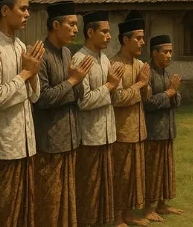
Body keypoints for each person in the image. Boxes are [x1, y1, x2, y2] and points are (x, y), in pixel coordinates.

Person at [0, 0, 45, 227]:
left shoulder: (20, 46)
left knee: (24, 209)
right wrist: (26, 73)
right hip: (4, 145)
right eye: (23, 9)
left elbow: (35, 98)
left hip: (26, 143)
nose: (27, 14)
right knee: (3, 208)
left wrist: (34, 73)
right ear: (5, 11)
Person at [33, 1, 94, 227]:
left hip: (70, 137)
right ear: (56, 25)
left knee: (68, 197)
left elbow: (78, 93)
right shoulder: (41, 53)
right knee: (49, 198)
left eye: (76, 25)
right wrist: (72, 81)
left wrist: (73, 83)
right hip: (50, 140)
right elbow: (43, 98)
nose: (76, 30)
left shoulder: (68, 52)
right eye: (71, 24)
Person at [75, 11, 123, 226]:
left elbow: (116, 95)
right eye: (104, 31)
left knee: (105, 184)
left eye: (109, 32)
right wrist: (110, 86)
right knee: (89, 186)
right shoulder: (80, 59)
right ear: (90, 32)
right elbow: (83, 101)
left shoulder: (105, 59)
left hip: (107, 133)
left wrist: (114, 86)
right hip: (90, 135)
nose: (109, 36)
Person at [110, 12, 152, 226]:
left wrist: (145, 84)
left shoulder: (139, 64)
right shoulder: (115, 64)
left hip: (138, 130)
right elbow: (117, 98)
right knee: (121, 175)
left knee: (134, 175)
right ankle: (117, 217)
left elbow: (146, 95)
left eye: (143, 38)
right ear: (125, 40)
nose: (142, 42)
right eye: (138, 38)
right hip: (121, 131)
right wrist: (140, 84)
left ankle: (127, 214)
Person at [143, 34, 184, 220]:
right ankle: (147, 208)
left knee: (166, 169)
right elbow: (148, 103)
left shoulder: (167, 73)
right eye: (165, 52)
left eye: (170, 52)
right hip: (153, 131)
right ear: (154, 53)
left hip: (167, 130)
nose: (169, 56)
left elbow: (178, 100)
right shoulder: (147, 73)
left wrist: (173, 94)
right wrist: (169, 93)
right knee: (152, 170)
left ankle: (162, 204)